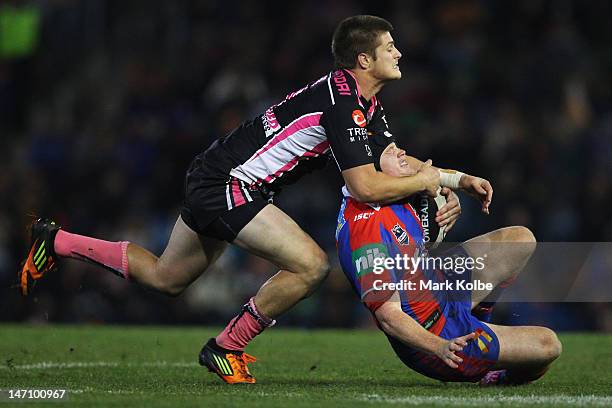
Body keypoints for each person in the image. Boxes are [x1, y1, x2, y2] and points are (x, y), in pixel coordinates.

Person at [19, 15, 485, 384]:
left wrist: (453, 181)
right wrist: (432, 182)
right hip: (229, 183)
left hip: (216, 175)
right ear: (363, 60)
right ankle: (227, 348)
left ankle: (55, 241)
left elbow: (394, 163)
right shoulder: (342, 104)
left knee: (167, 278)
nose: (399, 52)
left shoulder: (362, 103)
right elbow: (366, 186)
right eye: (389, 47)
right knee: (310, 265)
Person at [336, 143, 562, 385]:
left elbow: (431, 178)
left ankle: (479, 320)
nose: (401, 152)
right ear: (374, 175)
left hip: (441, 282)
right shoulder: (367, 233)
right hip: (437, 333)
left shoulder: (390, 191)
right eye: (389, 153)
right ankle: (495, 377)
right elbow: (389, 317)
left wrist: (455, 193)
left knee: (521, 239)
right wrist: (440, 347)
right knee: (548, 346)